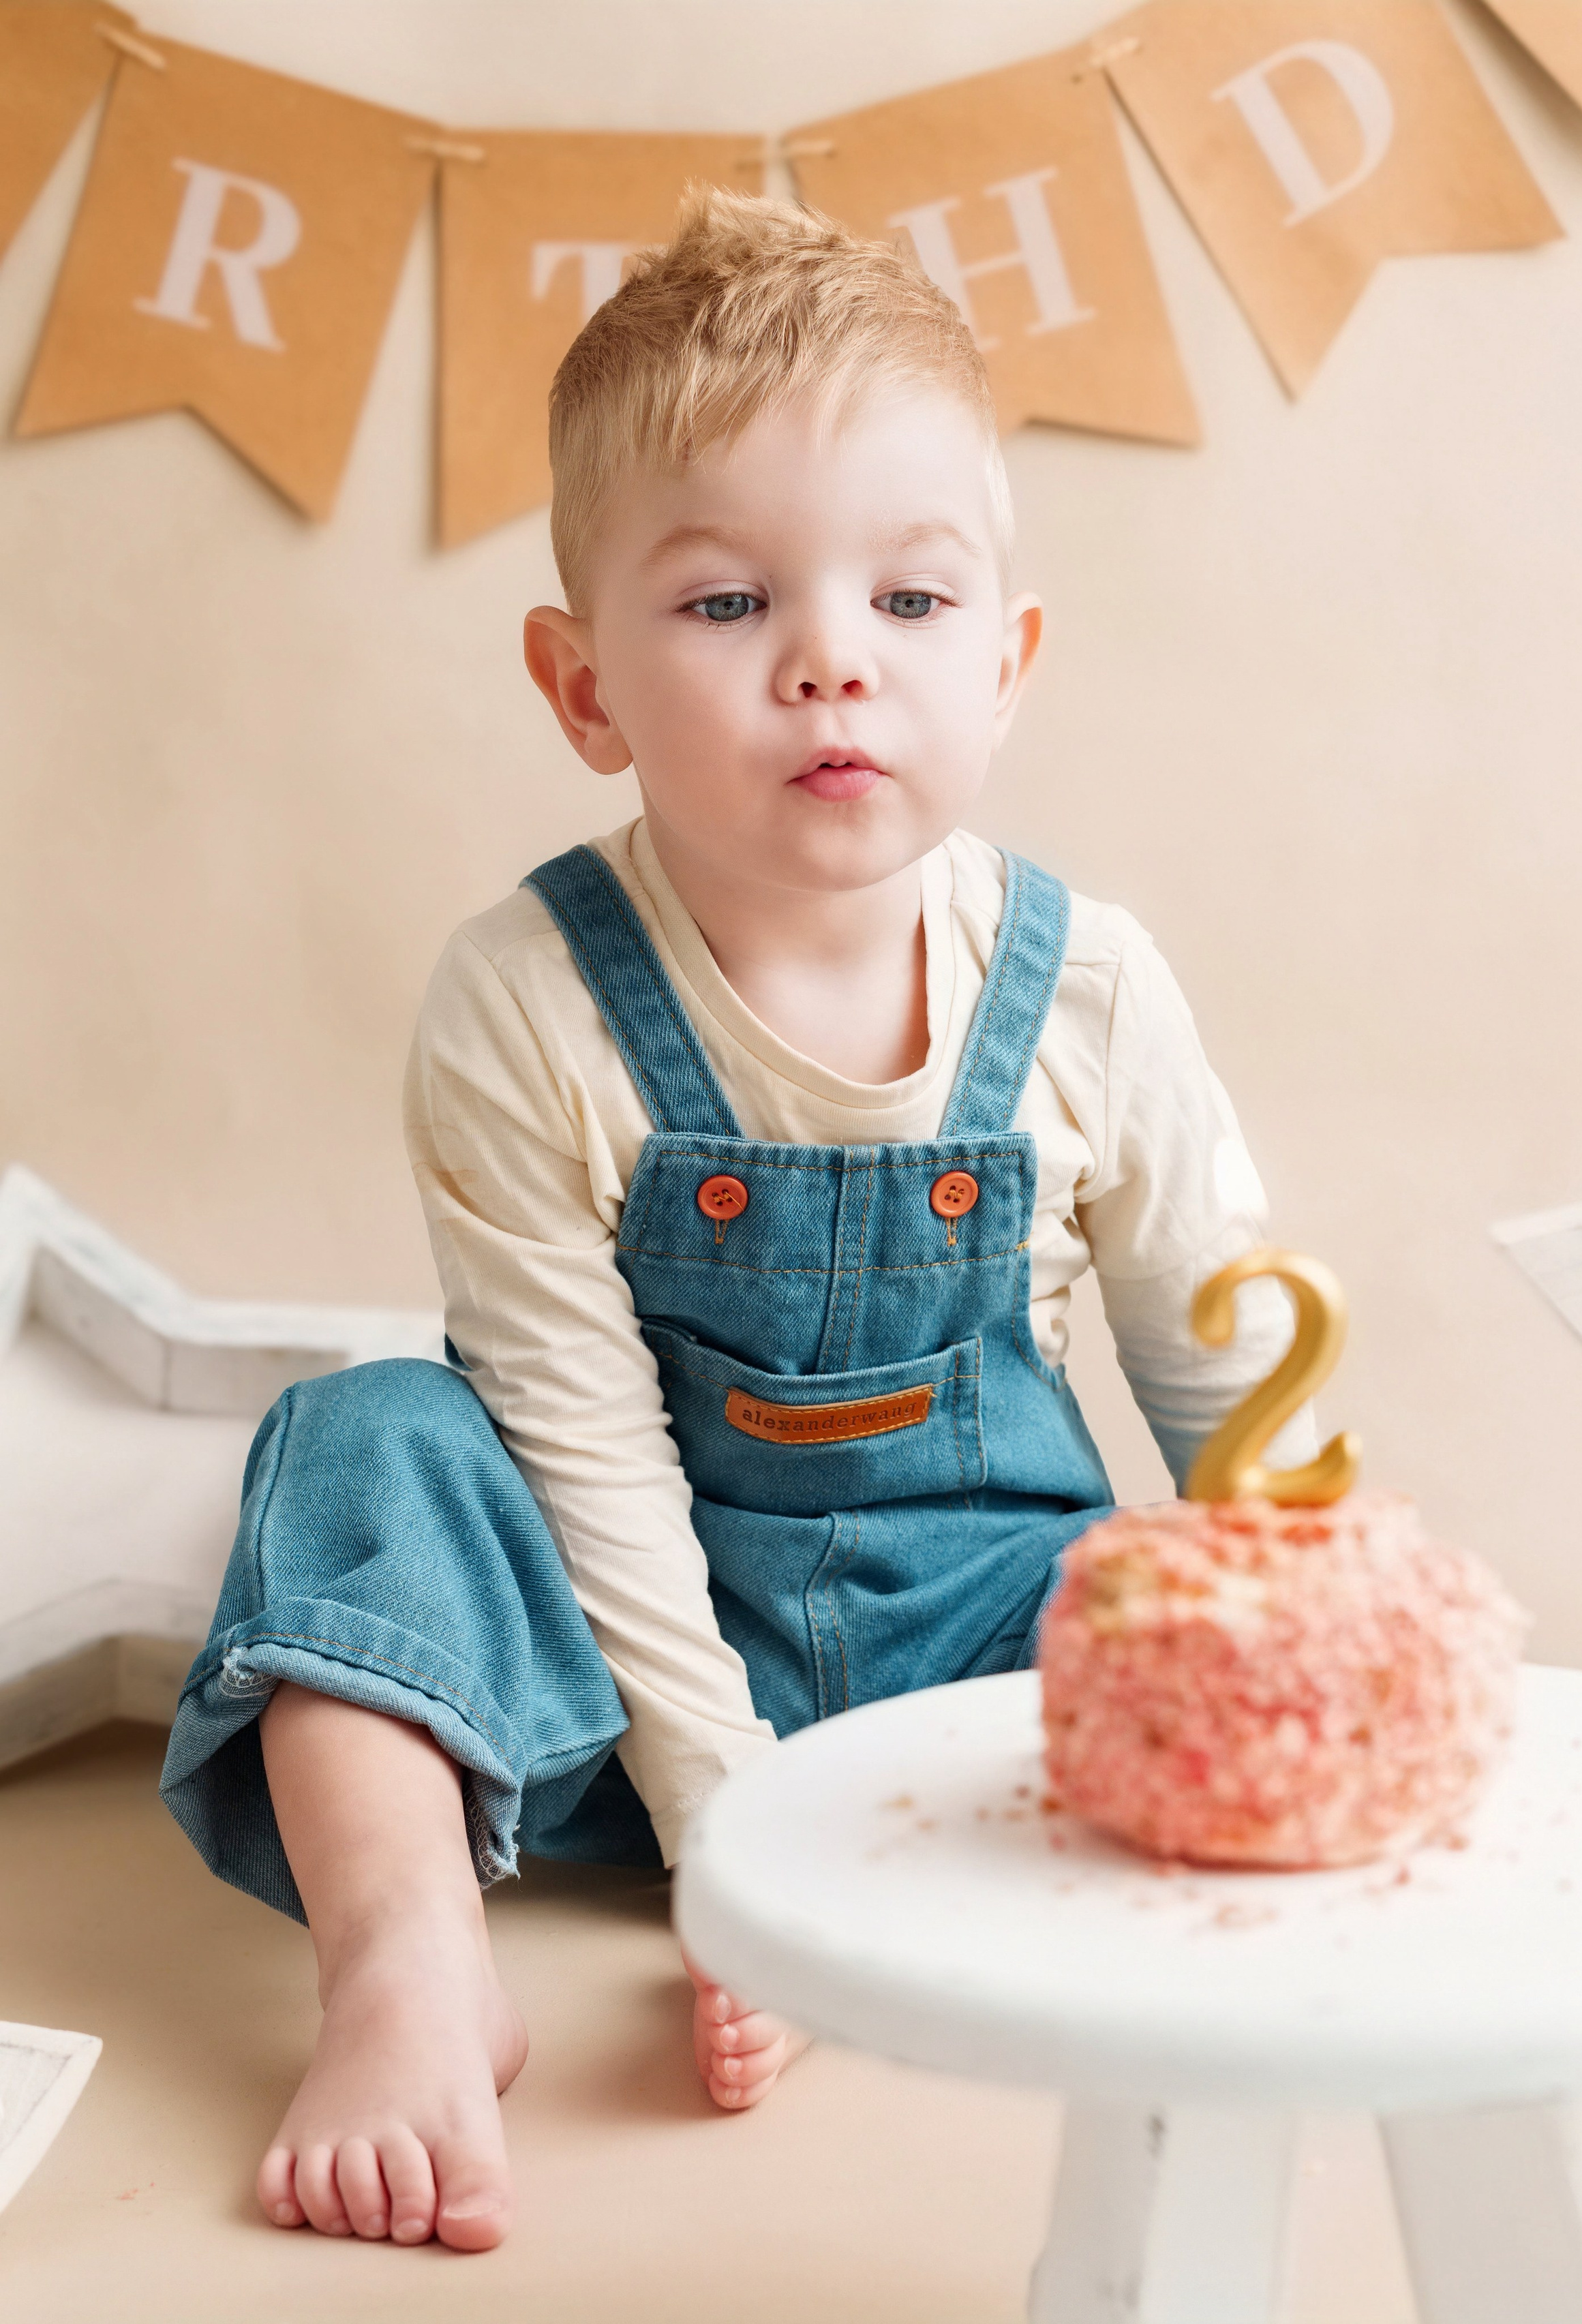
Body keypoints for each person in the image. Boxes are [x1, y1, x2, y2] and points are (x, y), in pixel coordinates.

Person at [161, 187, 1303, 2252]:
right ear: (582, 683)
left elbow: (1226, 1365)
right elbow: (580, 1443)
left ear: (1011, 658)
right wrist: (726, 1844)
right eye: (724, 606)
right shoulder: (527, 1000)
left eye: (914, 603)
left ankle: (1005, 1890)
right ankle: (409, 1964)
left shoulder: (1092, 986)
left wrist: (1319, 1626)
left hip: (981, 1661)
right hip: (615, 1691)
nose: (831, 664)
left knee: (1186, 1598)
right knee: (363, 1447)